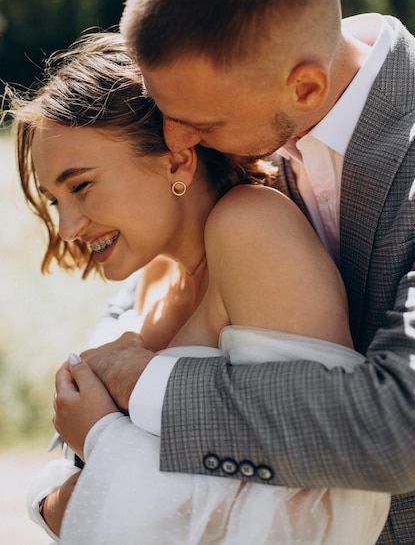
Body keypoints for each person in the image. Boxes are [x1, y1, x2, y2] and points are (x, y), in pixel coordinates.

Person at [68, 0, 415, 543]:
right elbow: (161, 277)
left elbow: (400, 428)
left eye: (197, 123)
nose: (178, 143)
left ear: (305, 87)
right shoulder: (252, 109)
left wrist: (141, 388)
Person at [11, 31, 390, 544]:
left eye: (81, 186)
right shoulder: (155, 278)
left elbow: (321, 506)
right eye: (56, 201)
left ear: (177, 160)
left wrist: (65, 491)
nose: (68, 227)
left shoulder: (250, 229)